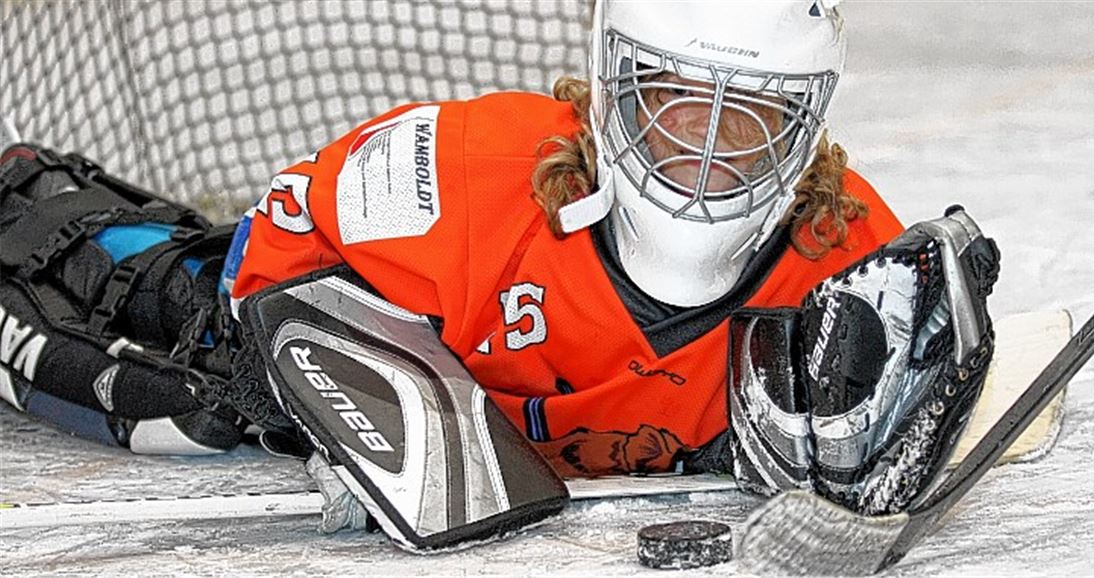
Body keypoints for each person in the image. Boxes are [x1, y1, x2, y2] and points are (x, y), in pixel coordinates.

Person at [0, 0, 998, 541]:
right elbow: (286, 223)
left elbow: (873, 411)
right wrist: (319, 391)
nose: (703, 153)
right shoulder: (470, 172)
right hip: (387, 366)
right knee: (193, 375)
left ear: (809, 124)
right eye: (672, 101)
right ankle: (36, 195)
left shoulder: (848, 251)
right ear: (608, 91)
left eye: (750, 117)